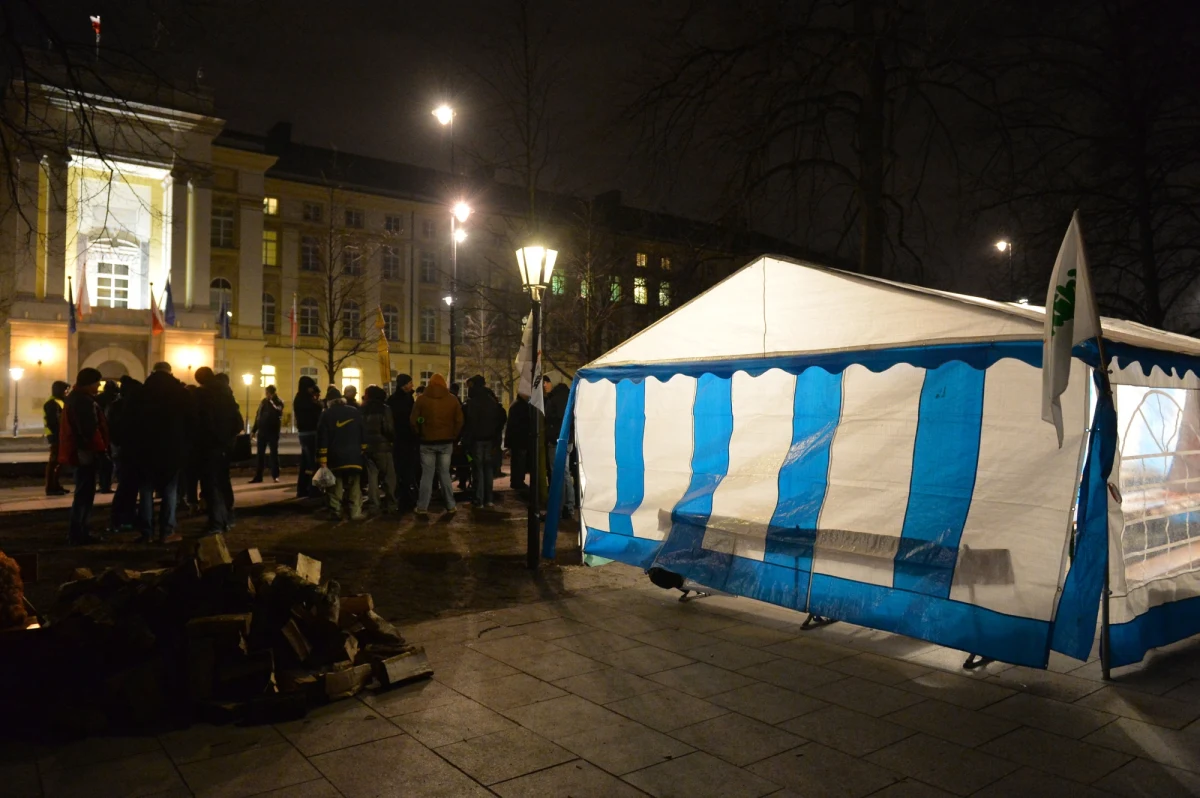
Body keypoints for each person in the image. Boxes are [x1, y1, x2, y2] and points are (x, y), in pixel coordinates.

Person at [126, 362, 190, 543]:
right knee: (170, 490)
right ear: (170, 372)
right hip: (172, 449)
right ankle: (167, 531)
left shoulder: (140, 393)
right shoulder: (181, 393)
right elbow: (191, 422)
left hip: (145, 449)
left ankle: (146, 532)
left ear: (152, 372)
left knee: (146, 490)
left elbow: (129, 422)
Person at [59, 367, 107, 544]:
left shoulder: (75, 398)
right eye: (97, 383)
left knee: (84, 492)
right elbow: (89, 430)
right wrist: (100, 451)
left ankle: (79, 530)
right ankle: (78, 531)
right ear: (89, 383)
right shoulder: (83, 401)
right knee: (85, 493)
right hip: (85, 452)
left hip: (79, 451)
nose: (99, 387)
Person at [194, 367, 243, 534]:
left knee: (211, 483)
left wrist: (213, 438)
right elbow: (238, 422)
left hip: (210, 445)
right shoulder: (227, 394)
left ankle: (216, 522)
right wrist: (228, 439)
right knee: (223, 480)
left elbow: (203, 421)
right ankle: (228, 516)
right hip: (226, 445)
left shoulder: (203, 394)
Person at [411, 373, 463, 516]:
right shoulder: (452, 400)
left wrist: (420, 432)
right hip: (446, 442)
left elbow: (414, 421)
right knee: (445, 474)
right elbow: (459, 421)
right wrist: (453, 435)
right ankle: (450, 505)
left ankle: (422, 506)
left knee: (427, 475)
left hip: (426, 442)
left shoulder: (421, 400)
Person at [316, 386, 366, 521]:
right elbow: (363, 433)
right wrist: (362, 450)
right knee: (355, 485)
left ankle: (336, 511)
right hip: (354, 456)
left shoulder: (326, 415)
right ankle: (355, 512)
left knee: (335, 486)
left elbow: (322, 438)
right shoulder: (355, 412)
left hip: (335, 457)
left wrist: (322, 459)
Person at [463, 375, 506, 508]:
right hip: (491, 439)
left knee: (478, 469)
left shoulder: (473, 402)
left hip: (476, 440)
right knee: (488, 469)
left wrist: (466, 440)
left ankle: (479, 499)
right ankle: (489, 499)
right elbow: (501, 417)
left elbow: (469, 423)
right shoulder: (492, 400)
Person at [107, 376, 143, 534]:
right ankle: (124, 518)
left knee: (126, 485)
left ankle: (123, 517)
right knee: (128, 486)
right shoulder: (132, 407)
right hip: (130, 450)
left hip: (121, 450)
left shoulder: (116, 406)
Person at [543, 377, 576, 518]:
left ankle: (559, 507)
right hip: (568, 440)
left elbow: (551, 420)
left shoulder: (554, 400)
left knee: (558, 473)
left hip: (557, 441)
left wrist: (551, 435)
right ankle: (569, 505)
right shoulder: (570, 398)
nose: (544, 385)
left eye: (546, 382)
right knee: (565, 473)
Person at [361, 385, 396, 514]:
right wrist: (391, 439)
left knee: (372, 477)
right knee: (389, 476)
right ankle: (391, 504)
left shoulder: (362, 409)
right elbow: (388, 428)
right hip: (383, 446)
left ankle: (374, 505)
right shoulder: (384, 409)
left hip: (367, 447)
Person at [387, 374, 418, 512]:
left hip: (399, 439)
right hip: (406, 438)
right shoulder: (407, 399)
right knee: (406, 470)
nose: (412, 385)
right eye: (410, 383)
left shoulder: (393, 399)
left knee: (400, 469)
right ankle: (406, 498)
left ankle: (402, 497)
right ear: (404, 385)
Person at [294, 376, 323, 498]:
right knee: (312, 462)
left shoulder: (298, 398)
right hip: (310, 432)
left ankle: (302, 488)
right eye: (311, 387)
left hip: (303, 433)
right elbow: (317, 410)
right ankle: (313, 489)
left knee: (305, 462)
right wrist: (319, 403)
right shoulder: (306, 400)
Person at [250, 385, 284, 483]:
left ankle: (275, 475)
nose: (266, 394)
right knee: (260, 455)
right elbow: (258, 416)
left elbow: (278, 412)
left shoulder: (278, 401)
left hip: (273, 432)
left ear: (272, 393)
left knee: (274, 454)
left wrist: (271, 402)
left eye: (267, 393)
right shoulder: (263, 402)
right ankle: (258, 476)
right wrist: (254, 430)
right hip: (262, 432)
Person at [43, 380, 70, 496]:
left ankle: (56, 485)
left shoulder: (59, 402)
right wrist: (60, 434)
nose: (67, 392)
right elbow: (53, 422)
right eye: (65, 390)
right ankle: (51, 487)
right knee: (54, 462)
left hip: (59, 435)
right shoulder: (52, 403)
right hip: (56, 436)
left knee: (59, 462)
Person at [95, 379, 119, 493]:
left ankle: (101, 484)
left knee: (102, 461)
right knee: (111, 461)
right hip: (112, 433)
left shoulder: (98, 399)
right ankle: (106, 485)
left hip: (100, 433)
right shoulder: (116, 399)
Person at [505, 393, 531, 492]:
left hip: (516, 439)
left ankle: (516, 481)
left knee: (516, 461)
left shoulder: (516, 405)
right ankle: (518, 481)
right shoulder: (522, 406)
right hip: (521, 439)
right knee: (520, 462)